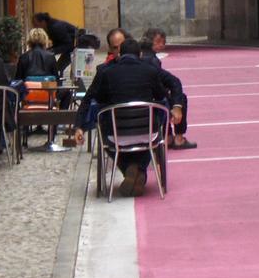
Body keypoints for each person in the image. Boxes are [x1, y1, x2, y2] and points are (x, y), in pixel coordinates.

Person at [74, 39, 182, 197]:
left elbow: (92, 98)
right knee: (154, 133)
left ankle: (129, 168)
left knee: (105, 132)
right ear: (140, 54)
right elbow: (161, 96)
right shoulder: (150, 71)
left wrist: (79, 126)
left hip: (116, 136)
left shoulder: (106, 72)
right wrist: (175, 108)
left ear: (119, 55)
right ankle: (139, 171)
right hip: (147, 134)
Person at [140, 29, 197, 150]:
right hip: (152, 100)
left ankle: (169, 135)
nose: (162, 45)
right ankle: (179, 138)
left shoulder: (145, 55)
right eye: (158, 42)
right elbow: (166, 82)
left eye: (163, 42)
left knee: (170, 95)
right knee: (180, 98)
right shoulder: (151, 60)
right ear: (150, 42)